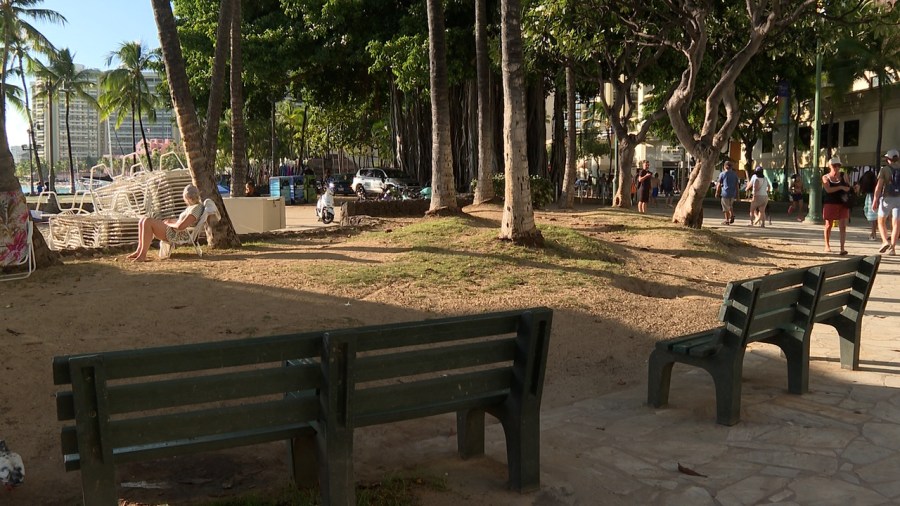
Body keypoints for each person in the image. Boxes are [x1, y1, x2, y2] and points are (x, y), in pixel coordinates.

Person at [127, 184, 204, 261]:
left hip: (177, 234)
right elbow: (183, 222)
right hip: (175, 231)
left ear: (188, 198)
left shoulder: (196, 209)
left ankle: (142, 255)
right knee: (142, 220)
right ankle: (139, 251)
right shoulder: (192, 207)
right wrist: (171, 221)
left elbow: (181, 226)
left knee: (147, 221)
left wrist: (169, 223)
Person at [822, 156, 851, 255]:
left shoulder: (844, 175)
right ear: (830, 166)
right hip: (830, 203)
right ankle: (827, 245)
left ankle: (842, 248)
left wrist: (848, 187)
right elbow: (828, 190)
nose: (836, 167)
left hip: (843, 203)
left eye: (838, 165)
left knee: (843, 226)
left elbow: (848, 187)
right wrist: (841, 187)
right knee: (828, 225)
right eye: (834, 165)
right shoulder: (825, 177)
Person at [873, 149, 900, 255]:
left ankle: (885, 241)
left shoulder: (885, 170)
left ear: (888, 159)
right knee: (896, 224)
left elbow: (879, 187)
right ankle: (893, 249)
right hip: (899, 199)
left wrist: (875, 199)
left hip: (887, 199)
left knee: (881, 221)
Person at [714, 160, 739, 225]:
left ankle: (727, 220)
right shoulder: (734, 174)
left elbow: (719, 184)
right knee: (730, 205)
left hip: (725, 193)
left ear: (724, 166)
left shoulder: (722, 174)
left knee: (725, 208)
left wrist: (717, 192)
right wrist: (737, 195)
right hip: (732, 193)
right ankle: (732, 215)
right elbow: (737, 185)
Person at [856, 167, 878, 239]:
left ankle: (873, 233)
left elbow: (858, 191)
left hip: (870, 197)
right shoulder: (875, 181)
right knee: (874, 216)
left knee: (872, 216)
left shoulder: (865, 181)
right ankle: (873, 232)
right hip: (875, 197)